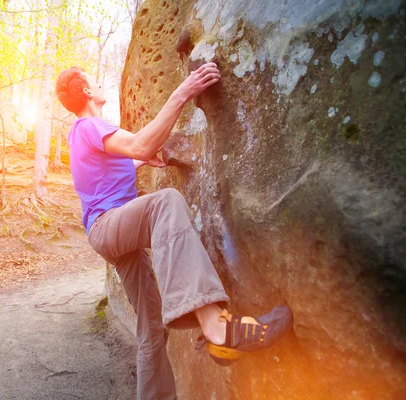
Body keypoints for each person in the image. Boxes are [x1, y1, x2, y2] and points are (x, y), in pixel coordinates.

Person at [55, 63, 293, 400]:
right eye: (94, 80)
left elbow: (119, 163)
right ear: (88, 91)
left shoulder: (82, 132)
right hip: (110, 226)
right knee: (165, 203)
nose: (99, 83)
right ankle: (216, 326)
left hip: (110, 234)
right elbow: (138, 144)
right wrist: (184, 90)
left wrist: (138, 161)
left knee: (151, 329)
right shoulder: (90, 126)